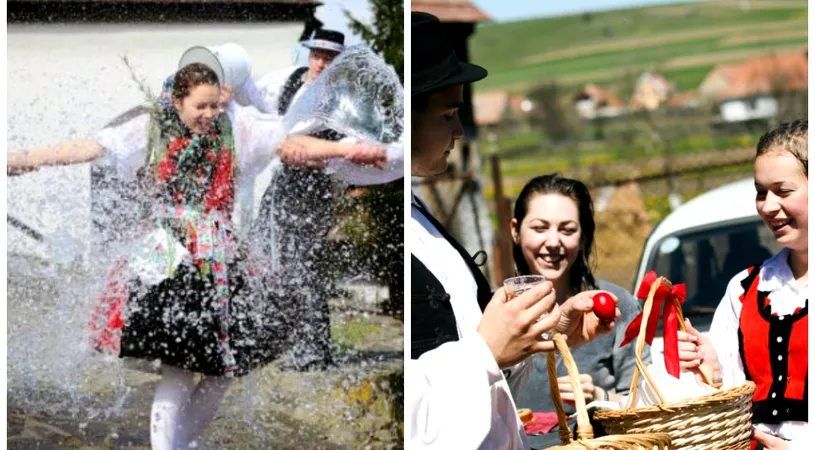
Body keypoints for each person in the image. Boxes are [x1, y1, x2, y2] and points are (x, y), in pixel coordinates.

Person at [6, 62, 386, 450]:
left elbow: (292, 145)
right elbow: (92, 147)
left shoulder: (236, 130)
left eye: (215, 106)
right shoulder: (150, 129)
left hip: (220, 260)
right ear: (178, 101)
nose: (208, 115)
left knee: (223, 371)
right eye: (199, 107)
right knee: (179, 371)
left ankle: (179, 444)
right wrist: (26, 157)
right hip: (170, 257)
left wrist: (348, 150)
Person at [409, 12, 620, 450]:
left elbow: (485, 383)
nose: (460, 130)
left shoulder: (420, 215)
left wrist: (547, 335)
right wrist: (485, 351)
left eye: (568, 228)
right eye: (447, 114)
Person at [678, 120, 808, 450]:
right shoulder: (746, 288)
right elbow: (730, 396)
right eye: (760, 193)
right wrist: (713, 371)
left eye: (783, 191)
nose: (767, 206)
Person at [507, 174, 650, 449]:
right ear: (515, 230)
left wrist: (598, 396)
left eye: (567, 229)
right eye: (539, 228)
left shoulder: (614, 305)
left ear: (584, 237)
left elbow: (649, 399)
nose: (552, 242)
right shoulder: (491, 311)